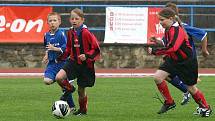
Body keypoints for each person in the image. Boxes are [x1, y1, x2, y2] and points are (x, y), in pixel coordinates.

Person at [148, 7, 212, 117]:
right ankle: (169, 102)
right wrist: (157, 43)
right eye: (160, 20)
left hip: (186, 62)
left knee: (191, 88)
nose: (160, 22)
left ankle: (206, 108)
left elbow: (173, 47)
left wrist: (154, 51)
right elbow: (168, 45)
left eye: (162, 20)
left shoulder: (177, 30)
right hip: (173, 60)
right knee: (158, 77)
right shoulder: (169, 29)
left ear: (171, 18)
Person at [55, 8, 100, 116]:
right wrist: (61, 57)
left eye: (77, 19)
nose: (74, 20)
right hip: (73, 62)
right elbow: (68, 48)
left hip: (86, 65)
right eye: (72, 18)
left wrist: (87, 55)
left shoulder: (86, 33)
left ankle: (83, 111)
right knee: (59, 77)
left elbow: (96, 48)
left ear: (82, 20)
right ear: (70, 20)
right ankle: (70, 89)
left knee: (81, 90)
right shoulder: (70, 32)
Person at [42, 12, 76, 111]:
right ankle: (68, 85)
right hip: (52, 64)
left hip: (63, 63)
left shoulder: (61, 34)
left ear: (59, 22)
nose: (52, 23)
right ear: (47, 22)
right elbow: (47, 47)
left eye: (55, 20)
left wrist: (55, 48)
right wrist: (46, 55)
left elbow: (65, 48)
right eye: (50, 21)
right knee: (47, 81)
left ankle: (72, 106)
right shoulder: (46, 35)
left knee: (63, 87)